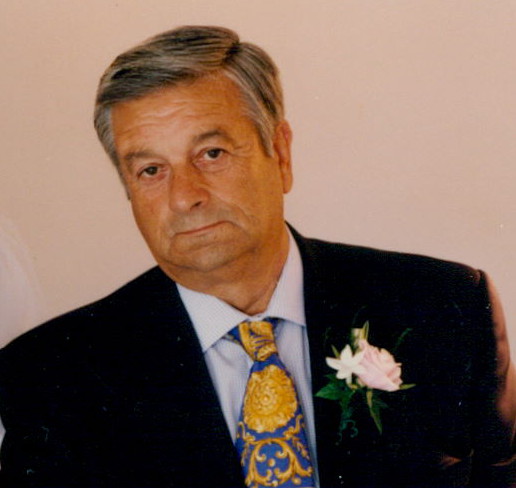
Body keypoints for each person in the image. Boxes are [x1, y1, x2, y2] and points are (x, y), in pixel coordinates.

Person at [0, 25, 514, 488]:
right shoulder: (51, 375)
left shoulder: (445, 305)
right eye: (151, 170)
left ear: (281, 153)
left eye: (212, 154)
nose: (185, 197)